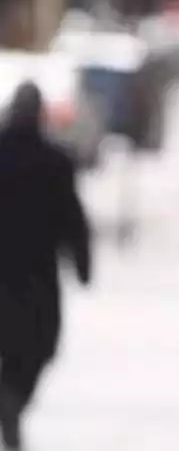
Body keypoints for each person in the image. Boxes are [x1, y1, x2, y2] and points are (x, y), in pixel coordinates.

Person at [0, 83, 93, 450]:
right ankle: (12, 398)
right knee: (36, 347)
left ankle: (8, 400)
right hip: (37, 277)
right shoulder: (55, 161)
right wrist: (83, 262)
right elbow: (74, 218)